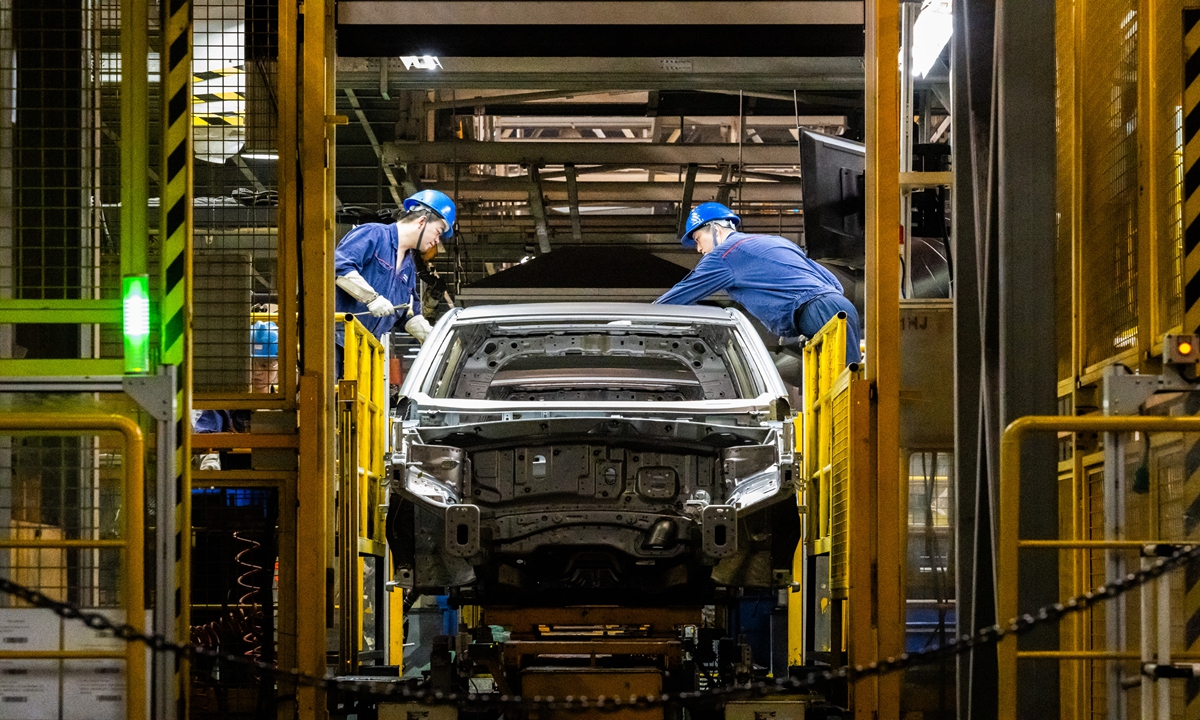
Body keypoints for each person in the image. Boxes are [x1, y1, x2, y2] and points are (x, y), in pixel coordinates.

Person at [654, 202, 862, 364]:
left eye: (698, 239)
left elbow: (680, 294)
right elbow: (833, 283)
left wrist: (640, 318)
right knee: (841, 390)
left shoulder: (724, 255)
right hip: (840, 307)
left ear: (716, 230)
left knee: (843, 397)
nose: (698, 249)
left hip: (820, 313)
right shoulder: (774, 241)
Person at [334, 190, 457, 375]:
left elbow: (407, 313)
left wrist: (429, 335)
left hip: (364, 352)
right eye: (438, 231)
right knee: (329, 400)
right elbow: (338, 266)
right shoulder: (374, 234)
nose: (437, 240)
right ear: (422, 221)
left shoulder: (408, 266)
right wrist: (371, 298)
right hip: (336, 341)